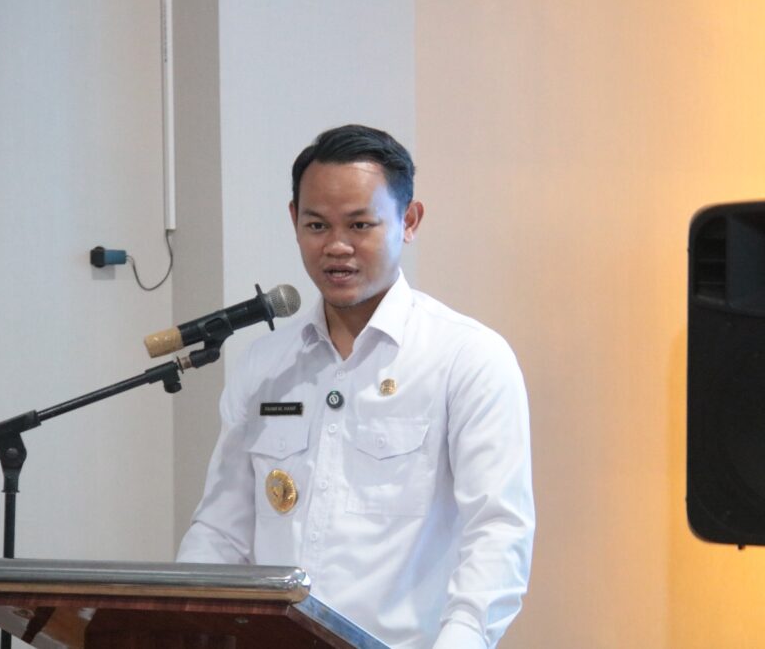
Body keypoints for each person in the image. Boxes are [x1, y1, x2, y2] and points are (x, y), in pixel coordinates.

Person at [177, 124, 534, 648]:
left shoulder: (468, 357)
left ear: (409, 221)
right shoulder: (265, 365)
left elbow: (498, 531)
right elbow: (222, 530)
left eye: (360, 224)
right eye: (317, 225)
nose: (337, 246)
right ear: (294, 220)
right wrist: (180, 625)